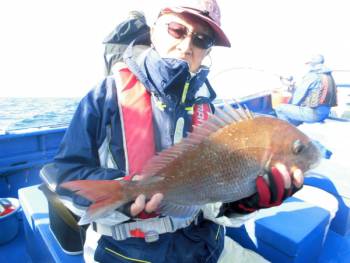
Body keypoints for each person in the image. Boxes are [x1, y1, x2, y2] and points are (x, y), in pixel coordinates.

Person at [40, 1, 305, 262]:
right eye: (177, 30)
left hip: (206, 249)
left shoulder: (210, 112)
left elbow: (210, 202)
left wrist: (246, 203)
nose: (187, 45)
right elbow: (64, 175)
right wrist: (124, 197)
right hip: (125, 253)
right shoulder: (105, 96)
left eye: (202, 40)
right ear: (154, 30)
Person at [274, 54, 337, 126]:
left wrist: (289, 104)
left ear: (312, 64)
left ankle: (289, 133)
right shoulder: (327, 75)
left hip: (314, 114)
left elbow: (297, 98)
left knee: (279, 108)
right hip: (325, 113)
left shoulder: (312, 75)